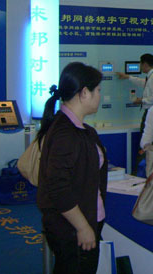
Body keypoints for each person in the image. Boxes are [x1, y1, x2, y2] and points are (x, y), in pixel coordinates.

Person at [36, 62, 108, 273]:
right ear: (84, 93)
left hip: (81, 221)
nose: (100, 96)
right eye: (98, 90)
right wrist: (82, 227)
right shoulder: (66, 133)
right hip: (71, 227)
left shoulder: (80, 129)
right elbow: (58, 187)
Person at [116, 53, 153, 129]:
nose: (140, 67)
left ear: (145, 64)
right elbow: (144, 83)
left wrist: (141, 100)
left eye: (140, 64)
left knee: (146, 132)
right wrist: (128, 77)